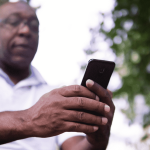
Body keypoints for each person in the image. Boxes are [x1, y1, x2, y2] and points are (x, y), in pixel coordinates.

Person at [0, 1, 115, 150]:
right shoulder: (47, 105)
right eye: (13, 22)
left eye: (34, 26)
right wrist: (29, 120)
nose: (26, 30)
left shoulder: (53, 97)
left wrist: (97, 141)